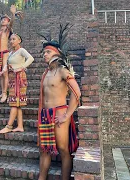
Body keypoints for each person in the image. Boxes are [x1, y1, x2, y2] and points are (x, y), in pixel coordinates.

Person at [37, 24, 80, 180]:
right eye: (44, 52)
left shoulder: (63, 71)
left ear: (56, 54)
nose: (44, 55)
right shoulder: (46, 73)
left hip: (59, 113)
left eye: (48, 52)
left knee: (63, 149)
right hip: (45, 115)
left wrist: (67, 115)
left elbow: (77, 92)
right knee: (44, 149)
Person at [0, 33, 34, 133]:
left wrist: (22, 67)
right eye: (10, 39)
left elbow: (31, 58)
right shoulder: (10, 53)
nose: (11, 41)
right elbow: (7, 65)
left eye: (14, 39)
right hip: (12, 78)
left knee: (14, 102)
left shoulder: (21, 50)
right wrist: (3, 71)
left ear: (19, 41)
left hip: (19, 78)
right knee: (16, 103)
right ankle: (20, 126)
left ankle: (9, 126)